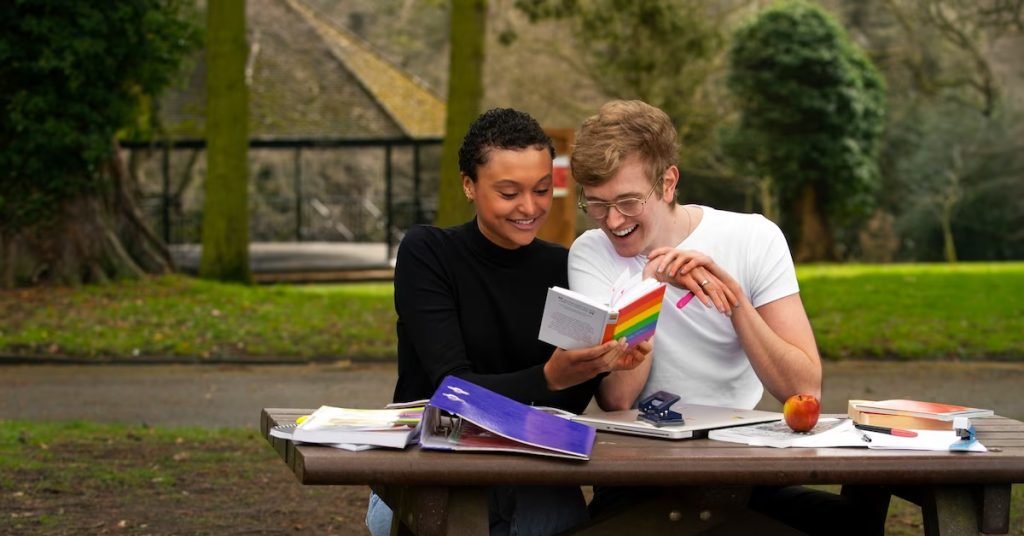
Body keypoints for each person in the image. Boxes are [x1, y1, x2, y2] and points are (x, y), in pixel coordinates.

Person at [567, 100, 883, 535]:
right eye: (598, 205)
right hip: (639, 475)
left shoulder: (753, 237)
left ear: (669, 182)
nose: (613, 221)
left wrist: (735, 302)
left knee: (853, 524)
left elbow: (803, 388)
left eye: (627, 201)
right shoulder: (590, 252)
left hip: (740, 467)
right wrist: (648, 288)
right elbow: (617, 398)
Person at [366, 107, 651, 536]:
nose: (529, 207)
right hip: (432, 465)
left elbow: (565, 411)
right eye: (508, 192)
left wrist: (600, 362)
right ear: (469, 185)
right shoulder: (429, 254)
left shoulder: (563, 265)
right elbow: (451, 388)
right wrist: (549, 378)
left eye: (541, 189)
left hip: (533, 469)